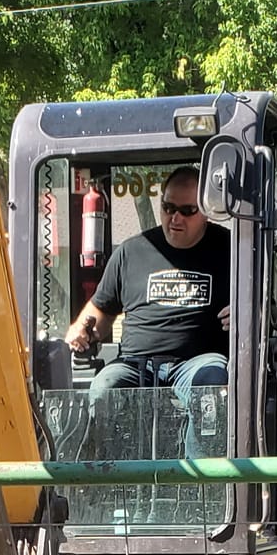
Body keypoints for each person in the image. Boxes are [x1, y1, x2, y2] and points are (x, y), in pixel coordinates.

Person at [64, 165, 232, 415]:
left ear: (207, 211)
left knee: (210, 385)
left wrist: (246, 314)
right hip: (135, 363)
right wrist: (80, 330)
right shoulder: (132, 251)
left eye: (187, 211)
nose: (175, 218)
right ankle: (110, 456)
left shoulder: (231, 251)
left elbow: (263, 312)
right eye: (168, 208)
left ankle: (201, 456)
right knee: (104, 388)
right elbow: (100, 311)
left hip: (198, 362)